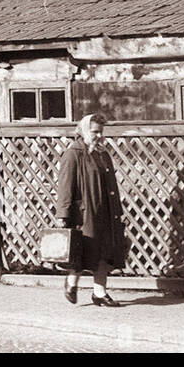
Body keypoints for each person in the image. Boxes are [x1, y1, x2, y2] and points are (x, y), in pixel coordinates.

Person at [55, 113, 126, 306]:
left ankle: (99, 293)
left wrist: (117, 211)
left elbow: (111, 186)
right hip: (84, 212)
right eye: (95, 132)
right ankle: (71, 283)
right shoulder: (73, 154)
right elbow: (65, 185)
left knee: (105, 252)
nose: (99, 136)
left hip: (106, 212)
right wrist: (63, 213)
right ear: (85, 131)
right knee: (84, 251)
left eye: (101, 132)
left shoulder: (103, 154)